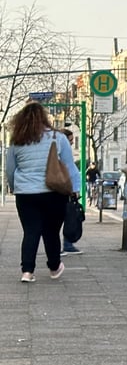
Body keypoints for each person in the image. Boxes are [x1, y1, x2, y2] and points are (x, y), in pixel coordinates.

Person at [5, 101, 81, 282]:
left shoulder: (17, 140)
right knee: (51, 231)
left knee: (30, 231)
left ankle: (27, 271)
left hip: (25, 194)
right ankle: (54, 267)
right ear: (44, 118)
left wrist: (15, 187)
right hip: (53, 192)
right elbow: (69, 166)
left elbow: (10, 169)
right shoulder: (58, 138)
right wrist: (75, 189)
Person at [61, 128, 83, 254]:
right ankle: (67, 245)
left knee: (68, 217)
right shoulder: (64, 151)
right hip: (66, 189)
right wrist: (74, 189)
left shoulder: (63, 150)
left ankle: (67, 244)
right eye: (70, 140)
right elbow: (70, 170)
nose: (72, 142)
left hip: (67, 188)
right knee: (68, 217)